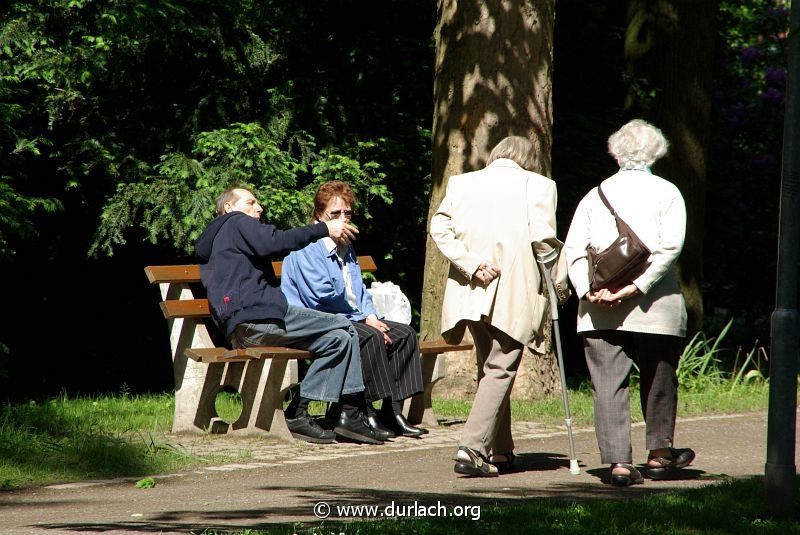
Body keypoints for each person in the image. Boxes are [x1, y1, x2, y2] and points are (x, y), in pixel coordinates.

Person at [195, 186, 384, 445]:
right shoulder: (235, 222)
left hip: (250, 324)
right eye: (251, 202)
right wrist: (324, 229)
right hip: (256, 320)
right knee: (345, 325)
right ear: (229, 207)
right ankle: (348, 414)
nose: (259, 207)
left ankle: (300, 412)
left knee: (338, 339)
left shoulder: (227, 238)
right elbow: (277, 242)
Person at [563, 119, 695, 487]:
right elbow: (670, 248)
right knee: (661, 378)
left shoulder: (595, 194)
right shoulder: (668, 192)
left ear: (615, 151)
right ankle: (659, 454)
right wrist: (636, 287)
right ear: (658, 152)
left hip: (599, 305)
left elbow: (573, 248)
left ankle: (619, 463)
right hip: (656, 304)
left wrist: (587, 290)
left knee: (607, 384)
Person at [430, 136, 564, 476]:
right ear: (527, 159)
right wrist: (559, 286)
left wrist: (471, 263)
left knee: (489, 366)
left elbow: (439, 227)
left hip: (473, 287)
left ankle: (500, 451)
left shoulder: (462, 183)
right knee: (501, 366)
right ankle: (471, 449)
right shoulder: (539, 185)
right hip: (513, 289)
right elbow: (545, 242)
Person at [281, 181, 427, 439]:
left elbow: (359, 289)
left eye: (347, 213)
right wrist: (363, 319)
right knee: (369, 337)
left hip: (351, 315)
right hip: (317, 319)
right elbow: (320, 296)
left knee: (404, 335)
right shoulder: (308, 246)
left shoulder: (347, 246)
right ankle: (359, 411)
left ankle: (392, 410)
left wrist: (369, 314)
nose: (342, 219)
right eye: (334, 214)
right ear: (319, 215)